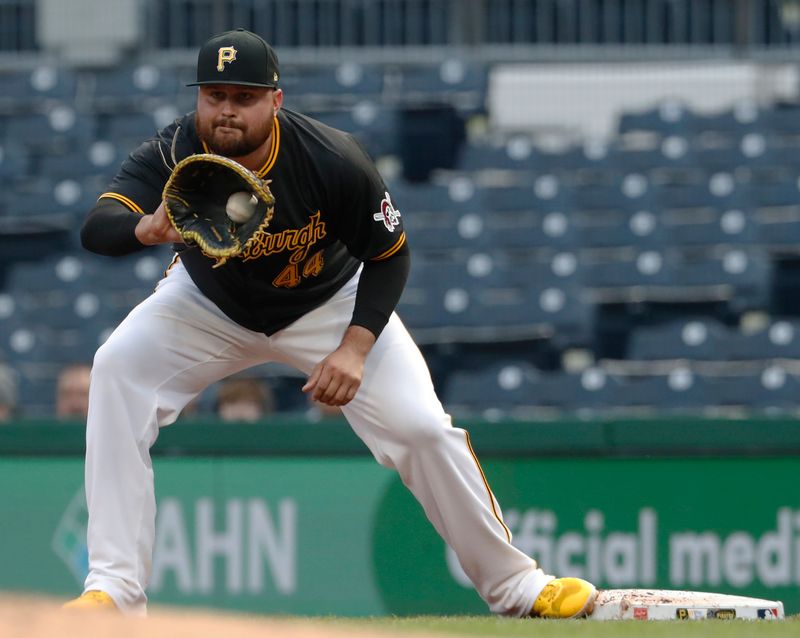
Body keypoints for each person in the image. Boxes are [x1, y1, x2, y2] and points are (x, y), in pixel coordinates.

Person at [64, 29, 596, 618]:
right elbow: (98, 224)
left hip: (330, 301)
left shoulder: (330, 157)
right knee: (116, 369)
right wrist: (145, 229)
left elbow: (391, 254)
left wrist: (355, 347)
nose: (226, 111)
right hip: (209, 304)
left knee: (421, 429)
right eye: (214, 95)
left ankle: (518, 588)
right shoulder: (172, 154)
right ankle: (113, 590)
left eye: (243, 97)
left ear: (276, 100)